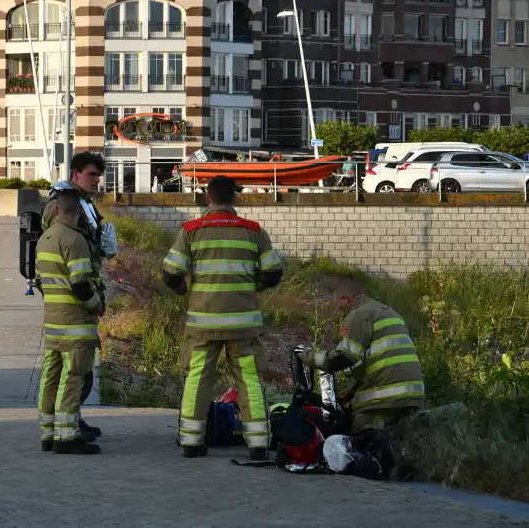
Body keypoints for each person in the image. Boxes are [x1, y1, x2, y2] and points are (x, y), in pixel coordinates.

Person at [161, 175, 284, 459]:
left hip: (203, 324)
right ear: (235, 199)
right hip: (244, 324)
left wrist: (183, 290)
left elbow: (170, 273)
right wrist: (254, 286)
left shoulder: (191, 229)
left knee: (198, 379)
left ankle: (192, 441)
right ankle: (257, 444)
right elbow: (273, 273)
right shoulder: (253, 230)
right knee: (249, 380)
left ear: (208, 198)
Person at [40, 151, 110, 440]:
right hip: (72, 301)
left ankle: (68, 421)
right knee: (74, 371)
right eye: (92, 174)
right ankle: (67, 425)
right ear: (76, 173)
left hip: (75, 296)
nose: (97, 180)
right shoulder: (62, 204)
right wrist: (93, 301)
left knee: (74, 371)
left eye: (99, 176)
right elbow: (61, 247)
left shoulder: (85, 204)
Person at [296, 279, 425, 436]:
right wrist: (354, 388)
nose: (341, 314)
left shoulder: (359, 314)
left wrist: (308, 357)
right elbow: (382, 359)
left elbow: (343, 357)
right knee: (399, 445)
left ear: (347, 299)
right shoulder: (388, 312)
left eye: (341, 309)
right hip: (412, 395)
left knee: (362, 440)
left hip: (384, 399)